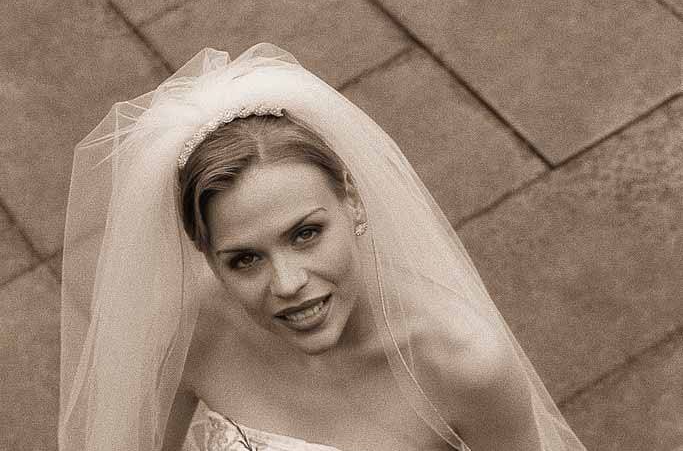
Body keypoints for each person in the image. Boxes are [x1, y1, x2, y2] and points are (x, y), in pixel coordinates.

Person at [59, 43, 586, 451]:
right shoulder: (190, 328)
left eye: (306, 234)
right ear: (204, 255)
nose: (288, 284)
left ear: (352, 204)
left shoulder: (462, 363)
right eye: (244, 259)